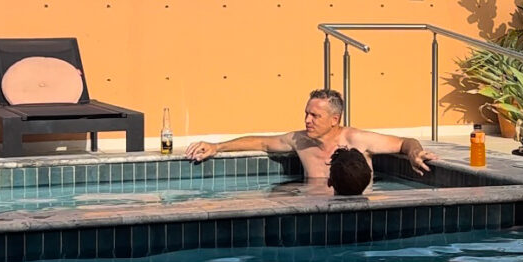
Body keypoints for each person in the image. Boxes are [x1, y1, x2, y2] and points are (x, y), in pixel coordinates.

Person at [183, 88, 437, 181]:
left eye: (315, 116)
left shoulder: (355, 139)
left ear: (335, 119)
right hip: (312, 206)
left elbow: (406, 142)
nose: (307, 120)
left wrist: (415, 154)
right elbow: (261, 142)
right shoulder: (300, 140)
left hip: (355, 208)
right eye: (306, 113)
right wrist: (217, 146)